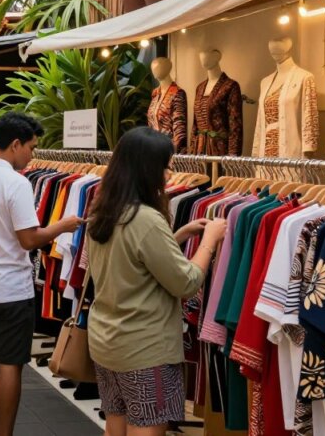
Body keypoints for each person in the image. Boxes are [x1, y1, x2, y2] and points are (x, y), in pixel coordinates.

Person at [85, 127, 224, 436]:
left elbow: (129, 264)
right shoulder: (146, 219)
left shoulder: (104, 211)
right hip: (144, 348)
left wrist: (178, 236)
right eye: (165, 164)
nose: (169, 172)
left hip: (108, 341)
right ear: (147, 169)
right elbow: (186, 283)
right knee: (145, 428)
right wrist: (210, 241)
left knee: (115, 425)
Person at [0, 112, 83, 436]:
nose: (32, 155)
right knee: (10, 364)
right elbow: (29, 239)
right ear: (15, 144)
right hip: (11, 289)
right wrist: (61, 226)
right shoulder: (16, 182)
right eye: (31, 147)